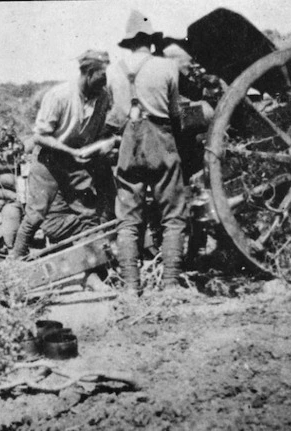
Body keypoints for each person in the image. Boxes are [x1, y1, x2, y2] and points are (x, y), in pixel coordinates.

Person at [11, 50, 117, 260]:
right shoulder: (60, 95)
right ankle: (16, 258)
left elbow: (101, 130)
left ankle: (93, 261)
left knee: (87, 211)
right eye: (101, 76)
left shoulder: (103, 97)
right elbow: (40, 137)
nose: (104, 82)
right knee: (36, 214)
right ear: (88, 73)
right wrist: (70, 151)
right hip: (48, 159)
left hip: (76, 161)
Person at [110, 10, 187, 296]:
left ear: (129, 43)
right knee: (173, 214)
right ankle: (170, 285)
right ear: (150, 41)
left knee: (129, 219)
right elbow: (176, 113)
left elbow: (116, 116)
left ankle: (131, 287)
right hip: (160, 140)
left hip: (128, 143)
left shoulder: (112, 70)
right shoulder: (167, 67)